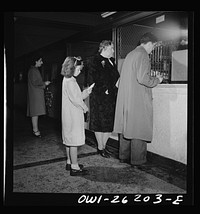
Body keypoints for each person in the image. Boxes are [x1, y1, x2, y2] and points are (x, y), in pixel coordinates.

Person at [114, 32, 163, 166]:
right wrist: (157, 80)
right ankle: (138, 160)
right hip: (138, 99)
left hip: (127, 98)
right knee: (138, 129)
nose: (153, 49)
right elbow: (143, 78)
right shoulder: (143, 55)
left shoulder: (130, 54)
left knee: (127, 128)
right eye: (153, 46)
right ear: (149, 43)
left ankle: (124, 156)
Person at [61, 56, 93, 176]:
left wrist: (85, 93)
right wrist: (85, 108)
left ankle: (69, 162)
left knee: (69, 140)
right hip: (73, 115)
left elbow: (75, 96)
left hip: (68, 114)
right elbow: (76, 100)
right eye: (78, 69)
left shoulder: (66, 80)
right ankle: (75, 167)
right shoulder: (71, 82)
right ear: (72, 68)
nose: (79, 72)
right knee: (74, 141)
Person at [87, 40, 120, 158]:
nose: (113, 51)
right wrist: (103, 90)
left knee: (109, 124)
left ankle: (103, 147)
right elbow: (91, 80)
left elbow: (115, 78)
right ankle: (101, 148)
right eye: (112, 48)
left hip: (111, 97)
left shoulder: (112, 61)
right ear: (104, 48)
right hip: (99, 98)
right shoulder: (94, 61)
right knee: (99, 123)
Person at [27, 55, 51, 137]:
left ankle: (35, 129)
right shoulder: (33, 70)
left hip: (35, 94)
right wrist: (45, 83)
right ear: (35, 61)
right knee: (35, 113)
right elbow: (36, 82)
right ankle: (35, 130)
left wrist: (43, 84)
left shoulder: (33, 70)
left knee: (35, 113)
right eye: (40, 60)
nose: (42, 62)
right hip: (35, 95)